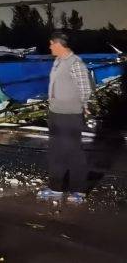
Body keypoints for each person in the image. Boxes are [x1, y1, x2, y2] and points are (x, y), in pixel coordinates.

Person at [37, 32, 92, 204]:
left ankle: (79, 191)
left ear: (58, 44)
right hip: (55, 113)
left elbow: (85, 89)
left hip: (70, 115)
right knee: (56, 152)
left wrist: (82, 106)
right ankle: (56, 189)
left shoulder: (76, 63)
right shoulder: (58, 61)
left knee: (74, 152)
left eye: (51, 44)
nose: (50, 47)